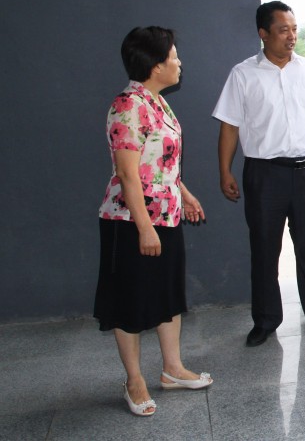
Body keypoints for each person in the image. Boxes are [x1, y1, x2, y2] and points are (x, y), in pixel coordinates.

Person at [95, 26, 212, 417]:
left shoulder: (157, 102)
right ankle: (134, 381)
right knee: (128, 301)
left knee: (167, 294)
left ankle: (172, 369)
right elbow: (128, 174)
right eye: (173, 56)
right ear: (155, 64)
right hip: (130, 221)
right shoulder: (128, 105)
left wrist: (184, 193)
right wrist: (144, 227)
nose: (179, 63)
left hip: (167, 215)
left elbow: (161, 164)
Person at [213, 1, 305, 347]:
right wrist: (225, 171)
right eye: (283, 30)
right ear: (263, 33)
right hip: (264, 175)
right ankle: (266, 319)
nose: (291, 36)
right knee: (264, 249)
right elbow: (229, 127)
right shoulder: (243, 74)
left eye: (294, 29)